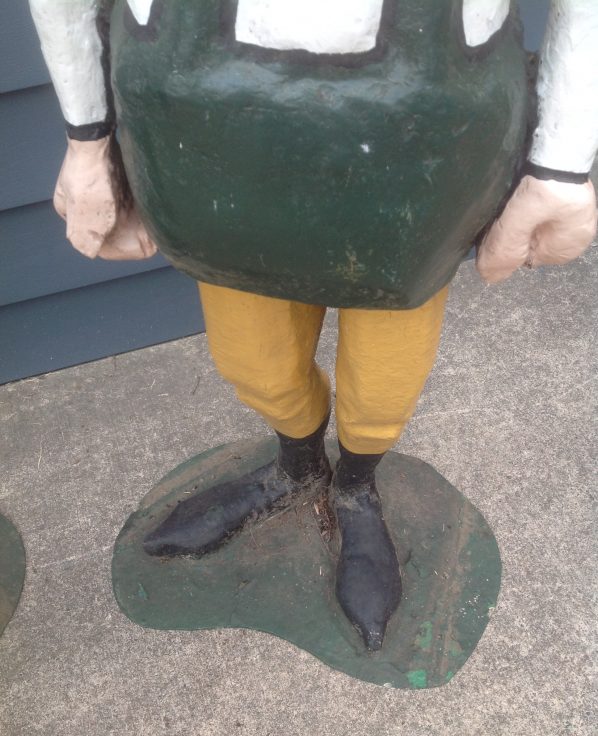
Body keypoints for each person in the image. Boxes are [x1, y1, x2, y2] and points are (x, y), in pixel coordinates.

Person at [29, 0, 598, 650]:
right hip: (214, 141)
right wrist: (88, 138)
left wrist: (560, 165)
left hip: (421, 145)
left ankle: (356, 487)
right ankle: (295, 465)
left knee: (384, 380)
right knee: (254, 360)